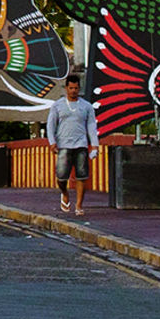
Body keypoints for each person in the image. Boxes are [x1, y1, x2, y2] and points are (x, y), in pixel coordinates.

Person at [46, 73, 99, 215]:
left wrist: (94, 145)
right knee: (61, 176)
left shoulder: (86, 106)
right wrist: (52, 142)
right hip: (63, 145)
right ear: (66, 88)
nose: (73, 91)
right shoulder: (57, 106)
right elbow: (51, 125)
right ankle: (65, 193)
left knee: (82, 176)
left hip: (81, 144)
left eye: (76, 88)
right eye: (71, 88)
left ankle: (79, 205)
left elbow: (91, 126)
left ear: (79, 88)